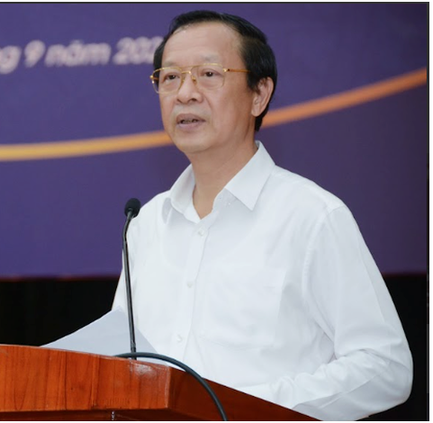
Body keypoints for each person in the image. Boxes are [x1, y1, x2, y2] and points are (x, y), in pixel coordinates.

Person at [112, 10, 412, 420]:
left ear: (259, 94)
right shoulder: (146, 224)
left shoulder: (312, 216)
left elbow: (386, 367)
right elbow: (121, 360)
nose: (185, 93)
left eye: (208, 74)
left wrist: (245, 408)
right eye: (170, 77)